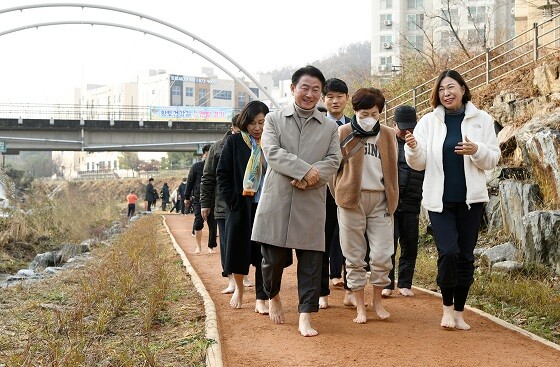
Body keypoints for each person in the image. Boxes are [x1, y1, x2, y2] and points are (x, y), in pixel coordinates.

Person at [404, 69, 500, 330]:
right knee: (449, 252)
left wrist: (477, 150)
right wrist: (412, 147)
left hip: (472, 201)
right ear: (437, 94)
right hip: (440, 201)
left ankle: (460, 312)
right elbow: (419, 162)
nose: (447, 93)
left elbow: (493, 158)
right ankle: (447, 308)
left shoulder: (482, 119)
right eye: (442, 89)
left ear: (462, 89)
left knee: (466, 256)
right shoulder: (428, 122)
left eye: (451, 87)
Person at [251, 65, 342, 337]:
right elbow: (273, 152)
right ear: (293, 89)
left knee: (312, 263)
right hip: (278, 198)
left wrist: (312, 177)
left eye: (316, 90)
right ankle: (274, 295)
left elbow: (334, 160)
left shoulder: (328, 127)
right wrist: (305, 170)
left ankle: (305, 316)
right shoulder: (274, 120)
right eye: (305, 87)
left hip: (311, 199)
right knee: (272, 260)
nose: (310, 94)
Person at [333, 87, 398, 324]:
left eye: (373, 113)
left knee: (382, 255)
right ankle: (360, 306)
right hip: (351, 201)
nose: (369, 118)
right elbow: (333, 171)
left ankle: (378, 301)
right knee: (354, 256)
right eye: (363, 113)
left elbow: (393, 169)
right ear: (355, 111)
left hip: (380, 199)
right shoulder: (344, 132)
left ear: (380, 112)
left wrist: (392, 196)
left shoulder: (389, 135)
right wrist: (342, 192)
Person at [217, 101, 270, 313]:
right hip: (241, 206)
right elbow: (223, 174)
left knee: (264, 254)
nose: (257, 128)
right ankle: (239, 288)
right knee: (238, 251)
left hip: (266, 205)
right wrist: (233, 201)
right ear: (244, 122)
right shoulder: (234, 142)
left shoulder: (272, 142)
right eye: (252, 123)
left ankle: (261, 297)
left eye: (261, 122)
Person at [382, 105, 425, 298]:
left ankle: (405, 283)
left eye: (411, 127)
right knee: (388, 244)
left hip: (412, 200)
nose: (407, 131)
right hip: (390, 200)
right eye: (403, 127)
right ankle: (387, 283)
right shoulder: (387, 142)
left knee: (410, 243)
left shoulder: (420, 141)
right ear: (394, 124)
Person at [201, 114, 242, 294]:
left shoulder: (256, 145)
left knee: (247, 242)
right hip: (223, 204)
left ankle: (244, 276)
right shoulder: (217, 148)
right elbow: (208, 177)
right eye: (240, 127)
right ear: (232, 127)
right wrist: (205, 203)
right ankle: (231, 279)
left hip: (248, 202)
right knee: (226, 242)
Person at [319, 77, 351, 309]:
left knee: (353, 242)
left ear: (347, 99)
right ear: (323, 99)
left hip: (350, 192)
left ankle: (351, 289)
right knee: (322, 241)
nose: (335, 100)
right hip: (323, 193)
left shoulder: (356, 125)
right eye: (330, 96)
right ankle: (322, 291)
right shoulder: (316, 124)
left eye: (340, 96)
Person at [184, 144, 217, 254]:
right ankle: (198, 246)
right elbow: (190, 182)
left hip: (214, 199)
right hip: (199, 199)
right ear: (204, 154)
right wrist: (186, 197)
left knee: (213, 224)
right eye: (208, 154)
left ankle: (211, 246)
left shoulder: (217, 166)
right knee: (198, 222)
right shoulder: (197, 167)